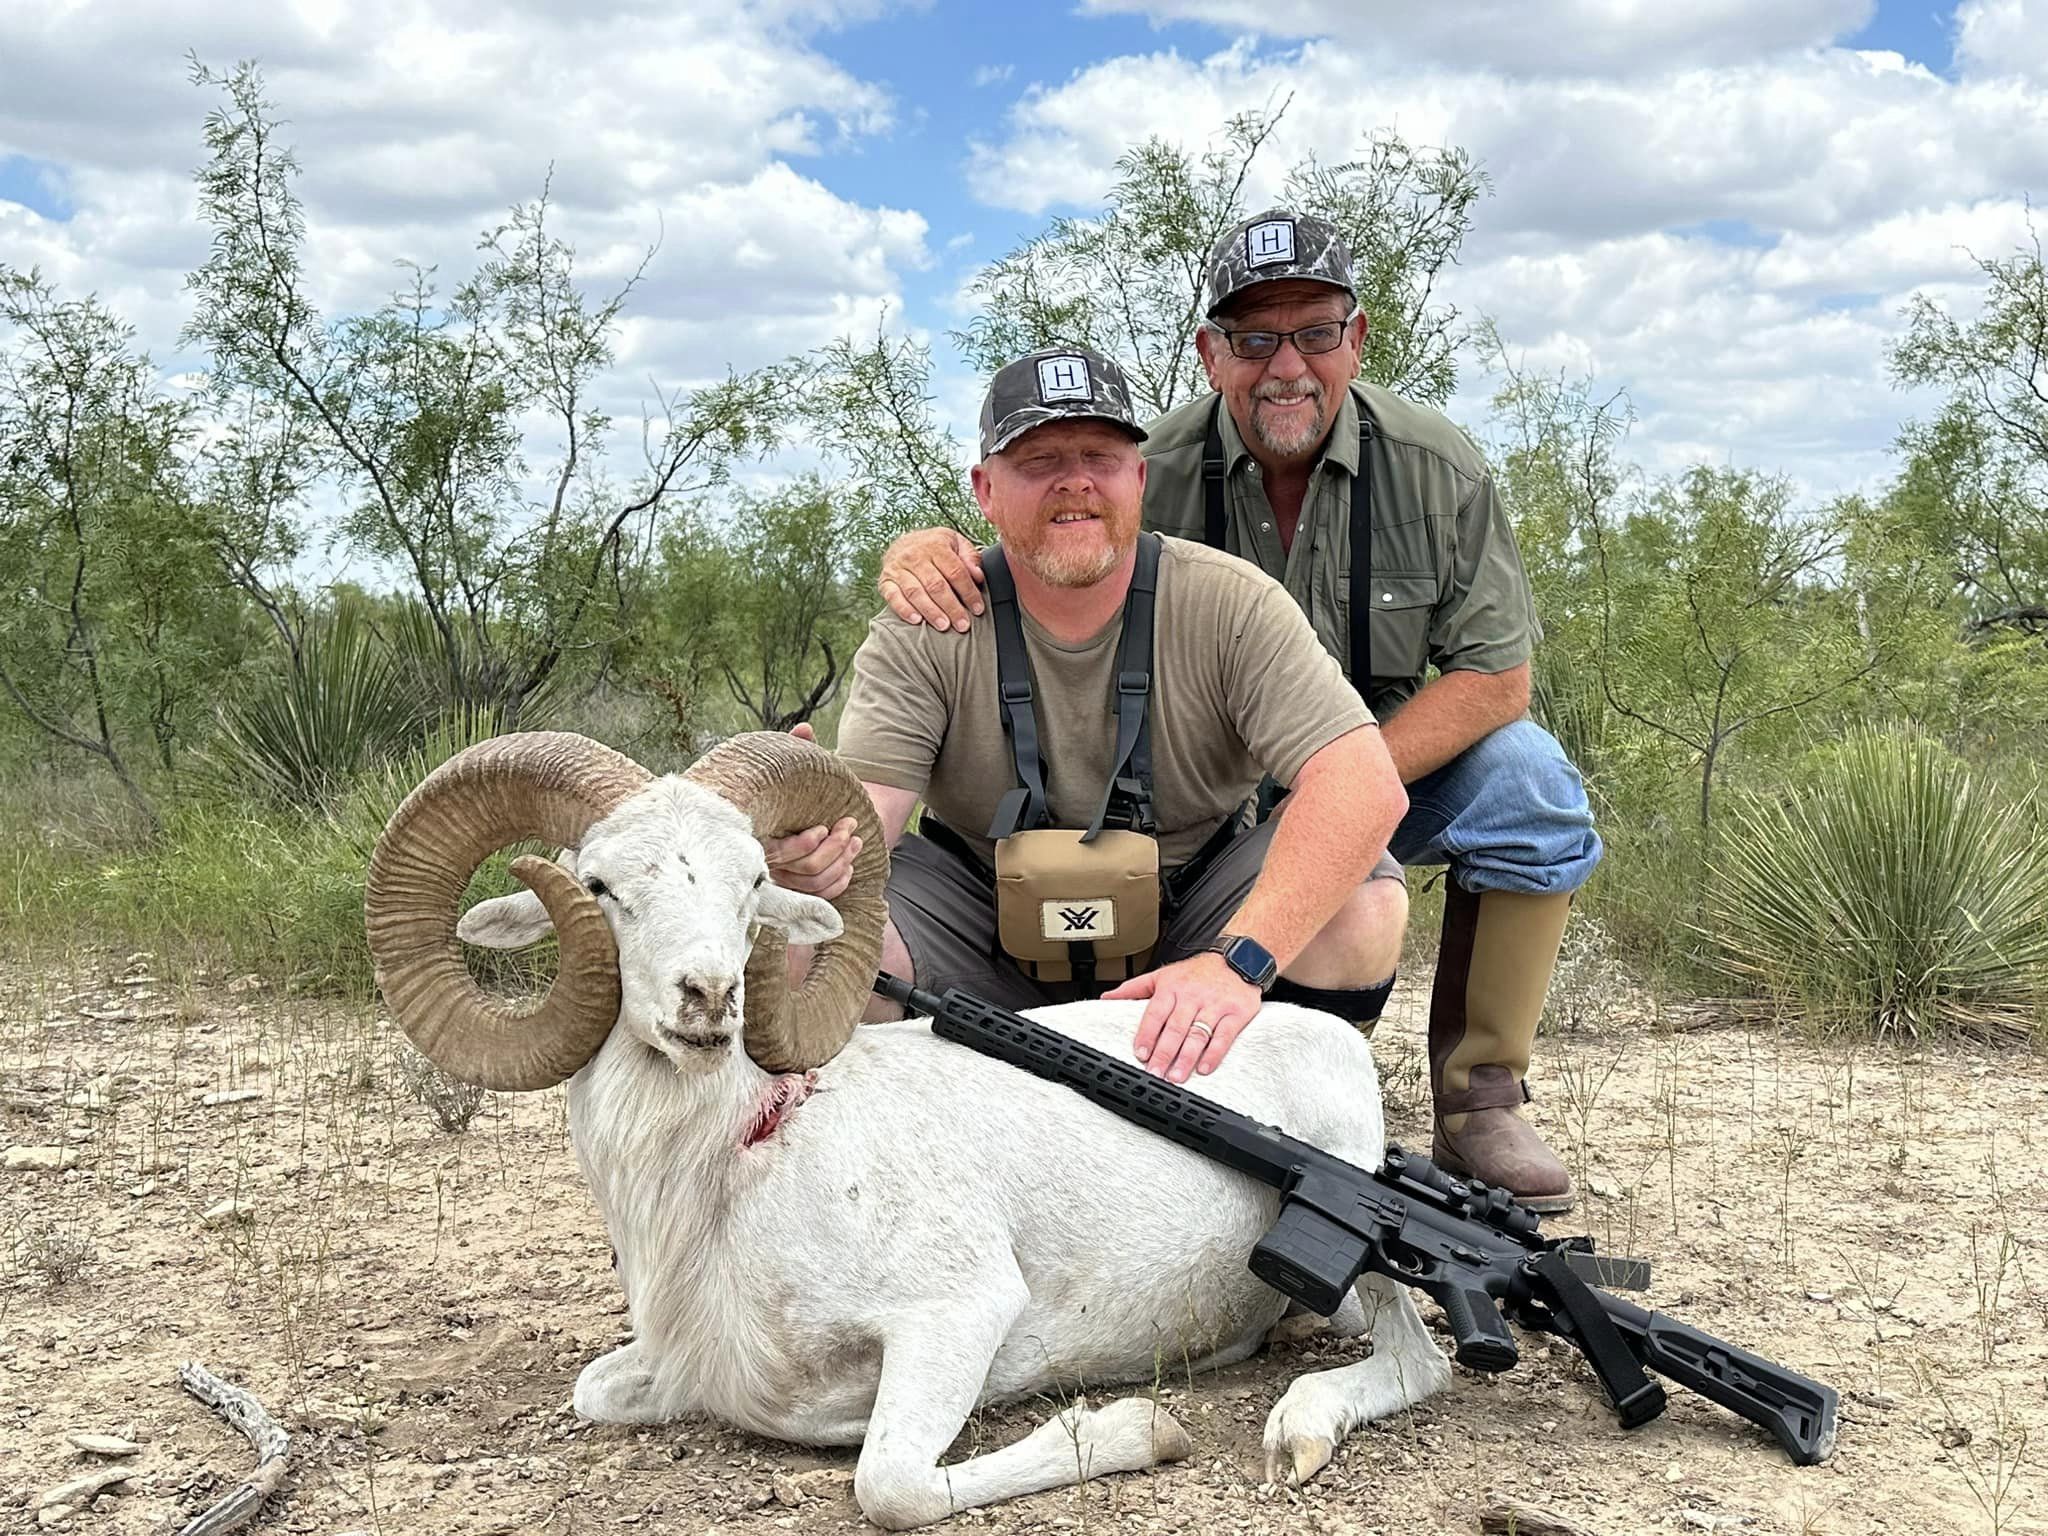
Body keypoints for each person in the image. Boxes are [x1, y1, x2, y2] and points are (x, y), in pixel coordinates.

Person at [875, 209, 1600, 1213]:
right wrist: (922, 547)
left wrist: (1328, 779)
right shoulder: (1146, 465)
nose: (1284, 366)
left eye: (1312, 332)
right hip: (1196, 783)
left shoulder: (1437, 466)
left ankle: (1477, 1095)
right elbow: (1047, 548)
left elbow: (1492, 681)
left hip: (1375, 757)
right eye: (1252, 339)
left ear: (1357, 338)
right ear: (1209, 353)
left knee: (1529, 786)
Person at [774, 343, 1411, 1089]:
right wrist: (810, 852)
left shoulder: (1232, 603)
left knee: (1363, 900)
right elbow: (868, 819)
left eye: (1100, 457)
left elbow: (1364, 786)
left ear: (1139, 478)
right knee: (805, 932)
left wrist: (1232, 962)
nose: (1075, 481)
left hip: (1191, 921)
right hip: (980, 923)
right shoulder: (927, 620)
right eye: (1040, 459)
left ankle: (1292, 1109)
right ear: (985, 489)